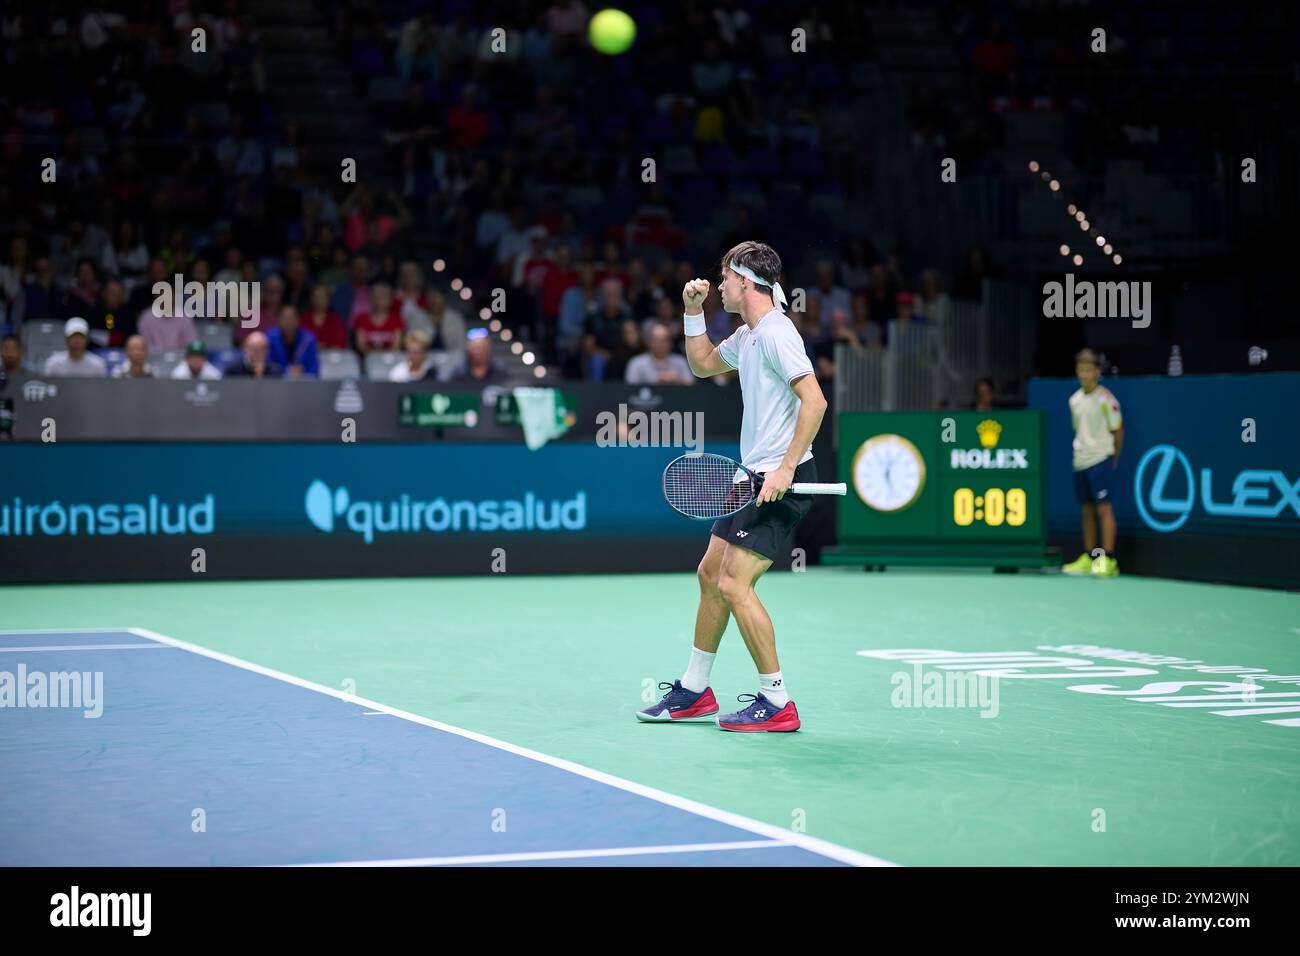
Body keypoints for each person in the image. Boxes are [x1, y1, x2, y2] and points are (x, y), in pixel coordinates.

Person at [638, 241, 827, 733]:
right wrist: (692, 312)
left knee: (733, 582)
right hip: (754, 477)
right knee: (710, 573)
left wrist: (784, 470)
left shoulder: (778, 335)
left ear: (745, 282)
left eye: (724, 279)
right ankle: (695, 691)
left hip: (780, 481)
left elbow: (815, 402)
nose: (719, 285)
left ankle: (777, 701)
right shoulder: (749, 336)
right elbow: (701, 364)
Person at [1062, 349, 1124, 577]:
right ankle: (1091, 556)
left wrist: (1112, 457)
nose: (1084, 375)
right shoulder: (1074, 400)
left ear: (1097, 372)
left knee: (1104, 510)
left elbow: (1118, 430)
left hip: (1100, 459)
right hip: (1081, 460)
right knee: (1086, 510)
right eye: (1080, 370)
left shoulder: (1107, 400)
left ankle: (1108, 559)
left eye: (1088, 370)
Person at [625, 322, 693, 385]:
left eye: (664, 340)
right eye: (656, 340)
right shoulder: (636, 363)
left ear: (670, 343)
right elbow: (630, 389)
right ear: (649, 341)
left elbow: (692, 386)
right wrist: (656, 383)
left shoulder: (680, 362)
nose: (660, 344)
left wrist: (677, 381)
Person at [43, 317, 108, 377]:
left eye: (81, 337)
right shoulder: (54, 362)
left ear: (87, 339)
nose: (77, 340)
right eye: (73, 336)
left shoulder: (98, 364)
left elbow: (101, 388)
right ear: (66, 339)